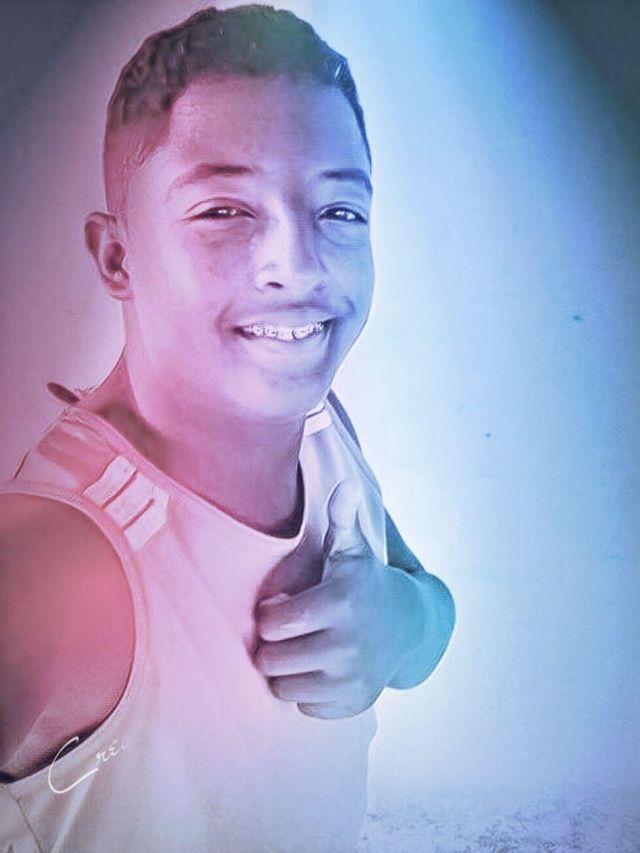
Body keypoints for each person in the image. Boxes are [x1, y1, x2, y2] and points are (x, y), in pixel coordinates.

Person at [0, 5, 455, 851]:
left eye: (340, 212)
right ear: (117, 257)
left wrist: (399, 620)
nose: (298, 263)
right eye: (224, 210)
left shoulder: (321, 428)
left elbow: (430, 611)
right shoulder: (53, 562)